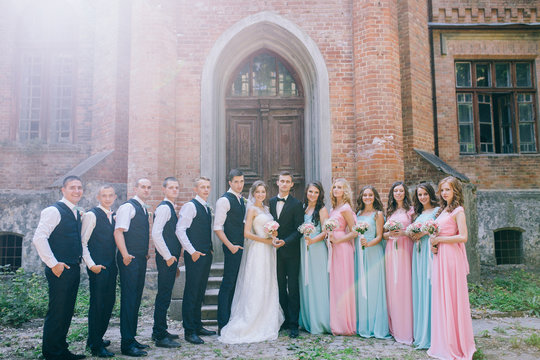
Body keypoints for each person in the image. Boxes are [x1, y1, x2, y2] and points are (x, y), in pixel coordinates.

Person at [218, 181, 284, 343]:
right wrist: (266, 240)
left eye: (263, 192)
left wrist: (273, 236)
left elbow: (269, 232)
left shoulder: (266, 210)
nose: (261, 194)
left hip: (269, 251)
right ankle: (252, 320)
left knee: (267, 283)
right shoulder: (252, 210)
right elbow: (247, 233)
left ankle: (266, 317)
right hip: (258, 251)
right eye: (258, 192)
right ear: (253, 194)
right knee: (257, 283)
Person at [32, 175, 86, 360]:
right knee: (57, 311)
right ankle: (51, 353)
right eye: (72, 187)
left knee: (67, 311)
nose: (77, 191)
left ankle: (61, 349)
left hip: (73, 267)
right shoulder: (53, 211)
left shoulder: (76, 211)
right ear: (63, 190)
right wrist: (53, 264)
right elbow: (39, 238)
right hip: (59, 269)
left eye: (79, 188)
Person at [428, 177, 476, 360]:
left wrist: (440, 240)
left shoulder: (458, 211)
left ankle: (456, 343)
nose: (444, 193)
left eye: (447, 189)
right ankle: (444, 340)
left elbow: (463, 237)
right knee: (442, 296)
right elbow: (437, 232)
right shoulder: (443, 210)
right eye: (442, 190)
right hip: (440, 256)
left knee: (452, 297)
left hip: (451, 258)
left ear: (455, 191)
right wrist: (434, 243)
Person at [114, 178, 152, 357]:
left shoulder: (143, 208)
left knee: (135, 299)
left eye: (148, 187)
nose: (146, 190)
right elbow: (118, 231)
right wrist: (125, 255)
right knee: (129, 299)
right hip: (129, 260)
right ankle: (126, 345)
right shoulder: (128, 207)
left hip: (139, 259)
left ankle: (132, 338)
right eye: (143, 187)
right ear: (135, 188)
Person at [176, 177, 216, 345]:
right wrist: (191, 251)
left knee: (200, 291)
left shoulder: (207, 207)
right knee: (192, 292)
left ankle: (198, 325)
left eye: (208, 187)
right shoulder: (190, 206)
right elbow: (180, 230)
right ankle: (189, 330)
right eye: (202, 187)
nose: (206, 190)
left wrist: (210, 247)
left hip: (206, 254)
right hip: (194, 256)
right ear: (195, 189)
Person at [81, 185, 118, 358]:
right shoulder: (91, 215)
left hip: (111, 267)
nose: (107, 198)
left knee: (109, 303)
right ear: (98, 197)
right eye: (104, 195)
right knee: (98, 306)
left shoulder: (113, 216)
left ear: (115, 197)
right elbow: (83, 242)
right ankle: (96, 346)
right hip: (98, 268)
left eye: (110, 195)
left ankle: (95, 338)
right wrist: (91, 265)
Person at [269, 171, 304, 338]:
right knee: (280, 286)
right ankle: (283, 320)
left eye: (287, 182)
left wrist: (285, 241)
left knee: (293, 288)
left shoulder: (297, 204)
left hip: (291, 252)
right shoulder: (270, 202)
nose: (284, 184)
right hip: (274, 252)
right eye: (281, 181)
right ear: (277, 182)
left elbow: (299, 229)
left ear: (291, 185)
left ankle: (293, 324)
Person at [355, 185, 390, 339]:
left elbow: (380, 236)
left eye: (370, 195)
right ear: (361, 197)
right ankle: (363, 324)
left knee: (373, 287)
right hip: (360, 253)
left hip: (373, 251)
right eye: (365, 195)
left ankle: (376, 325)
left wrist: (368, 244)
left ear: (375, 197)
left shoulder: (378, 214)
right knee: (362, 287)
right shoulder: (358, 213)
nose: (367, 197)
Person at [151, 177, 182, 348]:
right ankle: (160, 335)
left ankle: (160, 329)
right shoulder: (164, 208)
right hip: (166, 259)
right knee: (163, 296)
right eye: (171, 187)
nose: (174, 190)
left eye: (176, 187)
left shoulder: (170, 207)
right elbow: (156, 234)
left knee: (165, 295)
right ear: (164, 189)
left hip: (170, 260)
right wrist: (168, 257)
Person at [214, 169, 246, 334]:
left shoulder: (240, 199)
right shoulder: (224, 201)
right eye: (236, 182)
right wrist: (230, 246)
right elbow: (218, 228)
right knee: (228, 283)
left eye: (241, 181)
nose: (239, 185)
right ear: (230, 182)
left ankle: (232, 319)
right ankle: (222, 323)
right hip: (232, 248)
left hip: (241, 248)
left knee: (235, 284)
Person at [383, 181, 414, 345]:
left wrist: (401, 232)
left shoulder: (411, 211)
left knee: (405, 285)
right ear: (392, 194)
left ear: (405, 193)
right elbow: (384, 235)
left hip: (405, 249)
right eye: (395, 191)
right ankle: (394, 326)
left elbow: (414, 232)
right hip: (391, 249)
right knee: (392, 286)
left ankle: (407, 327)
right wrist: (390, 234)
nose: (398, 193)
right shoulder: (389, 211)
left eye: (401, 191)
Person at [298, 182, 330, 334]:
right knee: (306, 282)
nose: (313, 194)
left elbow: (325, 232)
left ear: (320, 194)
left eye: (316, 192)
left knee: (318, 283)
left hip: (316, 249)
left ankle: (320, 321)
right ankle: (308, 320)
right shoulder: (303, 208)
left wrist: (313, 240)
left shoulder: (322, 210)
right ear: (306, 192)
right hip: (304, 248)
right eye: (310, 191)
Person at [410, 182, 439, 349]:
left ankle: (432, 333)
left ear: (430, 194)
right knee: (420, 289)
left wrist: (421, 233)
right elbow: (411, 230)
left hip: (429, 252)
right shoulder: (418, 213)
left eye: (425, 194)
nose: (422, 197)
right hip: (418, 252)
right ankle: (421, 333)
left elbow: (436, 228)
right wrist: (412, 234)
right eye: (420, 195)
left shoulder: (436, 211)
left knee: (430, 287)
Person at [328, 178, 357, 335]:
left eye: (339, 187)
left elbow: (354, 231)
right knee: (336, 285)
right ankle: (337, 323)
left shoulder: (345, 208)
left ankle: (345, 325)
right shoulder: (334, 208)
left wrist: (338, 239)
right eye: (334, 187)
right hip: (334, 248)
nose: (336, 190)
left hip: (343, 248)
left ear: (345, 190)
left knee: (343, 284)